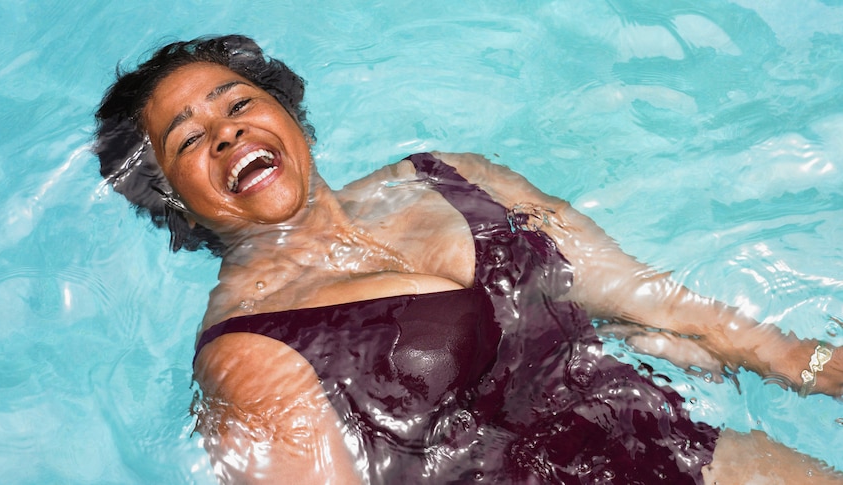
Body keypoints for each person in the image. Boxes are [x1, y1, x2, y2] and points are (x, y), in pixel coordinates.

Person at [94, 35, 843, 484]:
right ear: (174, 200)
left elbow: (662, 301)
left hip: (676, 445)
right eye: (189, 140)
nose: (226, 133)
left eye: (237, 102)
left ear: (289, 114)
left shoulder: (447, 176)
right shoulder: (249, 355)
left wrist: (812, 365)